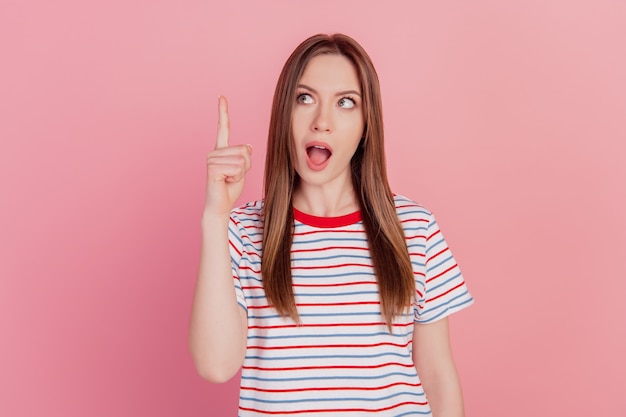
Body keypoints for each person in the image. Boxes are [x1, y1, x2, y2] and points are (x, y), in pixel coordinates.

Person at [189, 33, 474, 417]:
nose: (322, 121)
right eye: (305, 99)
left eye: (345, 103)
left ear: (366, 124)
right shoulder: (242, 231)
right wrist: (215, 216)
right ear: (283, 115)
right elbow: (216, 365)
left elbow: (438, 376)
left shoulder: (415, 229)